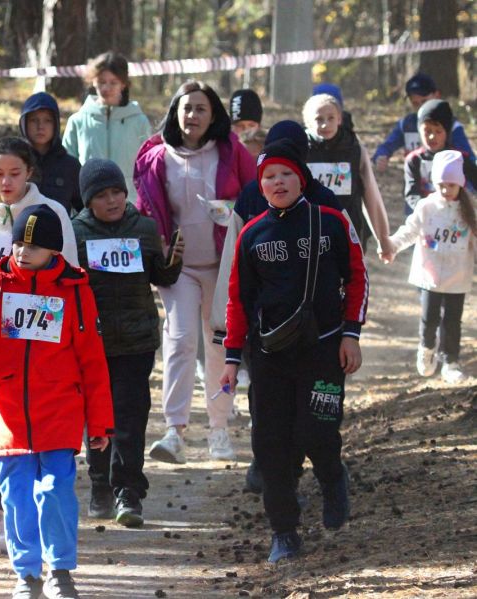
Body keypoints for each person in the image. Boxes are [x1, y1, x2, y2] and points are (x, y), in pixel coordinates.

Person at [0, 204, 114, 599]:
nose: (22, 252)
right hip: (7, 409)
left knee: (56, 488)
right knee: (16, 494)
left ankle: (59, 570)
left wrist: (101, 421)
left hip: (60, 407)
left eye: (33, 246)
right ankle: (26, 573)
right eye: (18, 243)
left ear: (54, 251)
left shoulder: (77, 290)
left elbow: (92, 358)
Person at [219, 139, 368, 563]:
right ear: (260, 187)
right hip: (269, 356)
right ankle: (284, 532)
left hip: (323, 350)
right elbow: (237, 299)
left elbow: (357, 277)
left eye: (285, 174)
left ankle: (332, 475)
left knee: (316, 431)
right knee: (270, 445)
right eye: (268, 176)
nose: (277, 181)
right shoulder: (251, 233)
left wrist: (351, 334)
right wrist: (232, 360)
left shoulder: (332, 221)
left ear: (300, 178)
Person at [0, 136, 78, 553]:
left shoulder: (54, 214)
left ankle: (41, 515)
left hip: (45, 350)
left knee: (40, 436)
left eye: (15, 173)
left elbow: (72, 279)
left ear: (30, 173)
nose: (6, 182)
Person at [210, 120, 344, 494]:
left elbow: (348, 260)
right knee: (268, 405)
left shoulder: (325, 201)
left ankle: (301, 469)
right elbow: (233, 267)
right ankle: (270, 468)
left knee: (309, 410)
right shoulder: (254, 197)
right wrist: (226, 329)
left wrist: (348, 327)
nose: (280, 180)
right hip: (262, 325)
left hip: (318, 327)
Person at [134, 80, 256, 464]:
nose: (193, 116)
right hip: (179, 268)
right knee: (181, 340)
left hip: (223, 265)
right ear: (175, 113)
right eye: (186, 108)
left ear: (214, 114)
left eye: (201, 109)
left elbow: (256, 195)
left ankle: (219, 429)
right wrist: (157, 250)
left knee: (219, 342)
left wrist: (233, 211)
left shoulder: (230, 150)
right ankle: (175, 431)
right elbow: (145, 209)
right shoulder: (157, 157)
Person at [72, 159, 183, 528]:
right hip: (94, 344)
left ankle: (128, 492)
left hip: (136, 343)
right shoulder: (75, 234)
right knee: (97, 420)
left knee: (131, 419)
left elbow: (159, 276)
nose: (112, 200)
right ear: (88, 201)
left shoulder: (145, 229)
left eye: (117, 191)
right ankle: (100, 485)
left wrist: (173, 262)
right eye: (102, 195)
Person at [387, 150, 476, 384]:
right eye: (442, 185)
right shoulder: (427, 207)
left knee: (453, 321)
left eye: (451, 186)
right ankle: (427, 350)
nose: (446, 191)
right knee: (429, 318)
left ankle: (451, 362)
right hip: (430, 275)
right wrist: (391, 245)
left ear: (460, 184)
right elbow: (409, 231)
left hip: (458, 277)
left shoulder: (468, 211)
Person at [303, 93, 391, 255]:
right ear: (308, 123)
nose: (325, 125)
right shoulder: (300, 151)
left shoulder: (354, 150)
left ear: (339, 119)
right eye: (319, 119)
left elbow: (371, 195)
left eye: (330, 118)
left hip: (348, 230)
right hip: (308, 233)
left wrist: (383, 238)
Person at [63, 52, 151, 203]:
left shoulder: (139, 122)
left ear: (123, 84)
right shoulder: (77, 121)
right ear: (93, 81)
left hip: (130, 204)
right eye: (101, 81)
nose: (106, 87)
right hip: (88, 206)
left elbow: (148, 166)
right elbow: (67, 166)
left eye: (113, 82)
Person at [373, 73, 475, 173]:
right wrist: (381, 157)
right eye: (415, 103)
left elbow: (469, 159)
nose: (421, 108)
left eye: (424, 101)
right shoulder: (406, 125)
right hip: (414, 184)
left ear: (437, 96)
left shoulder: (451, 126)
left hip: (445, 186)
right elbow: (386, 146)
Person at [404, 99, 477, 216]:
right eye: (427, 131)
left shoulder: (458, 158)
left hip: (456, 217)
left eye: (438, 131)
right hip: (426, 218)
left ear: (447, 132)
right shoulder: (414, 160)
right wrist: (424, 210)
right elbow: (412, 194)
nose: (432, 136)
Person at [20, 91, 83, 214]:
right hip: (18, 232)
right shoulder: (13, 162)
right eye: (34, 120)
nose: (40, 126)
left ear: (56, 124)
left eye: (47, 120)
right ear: (24, 123)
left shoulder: (70, 166)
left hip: (60, 232)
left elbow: (85, 209)